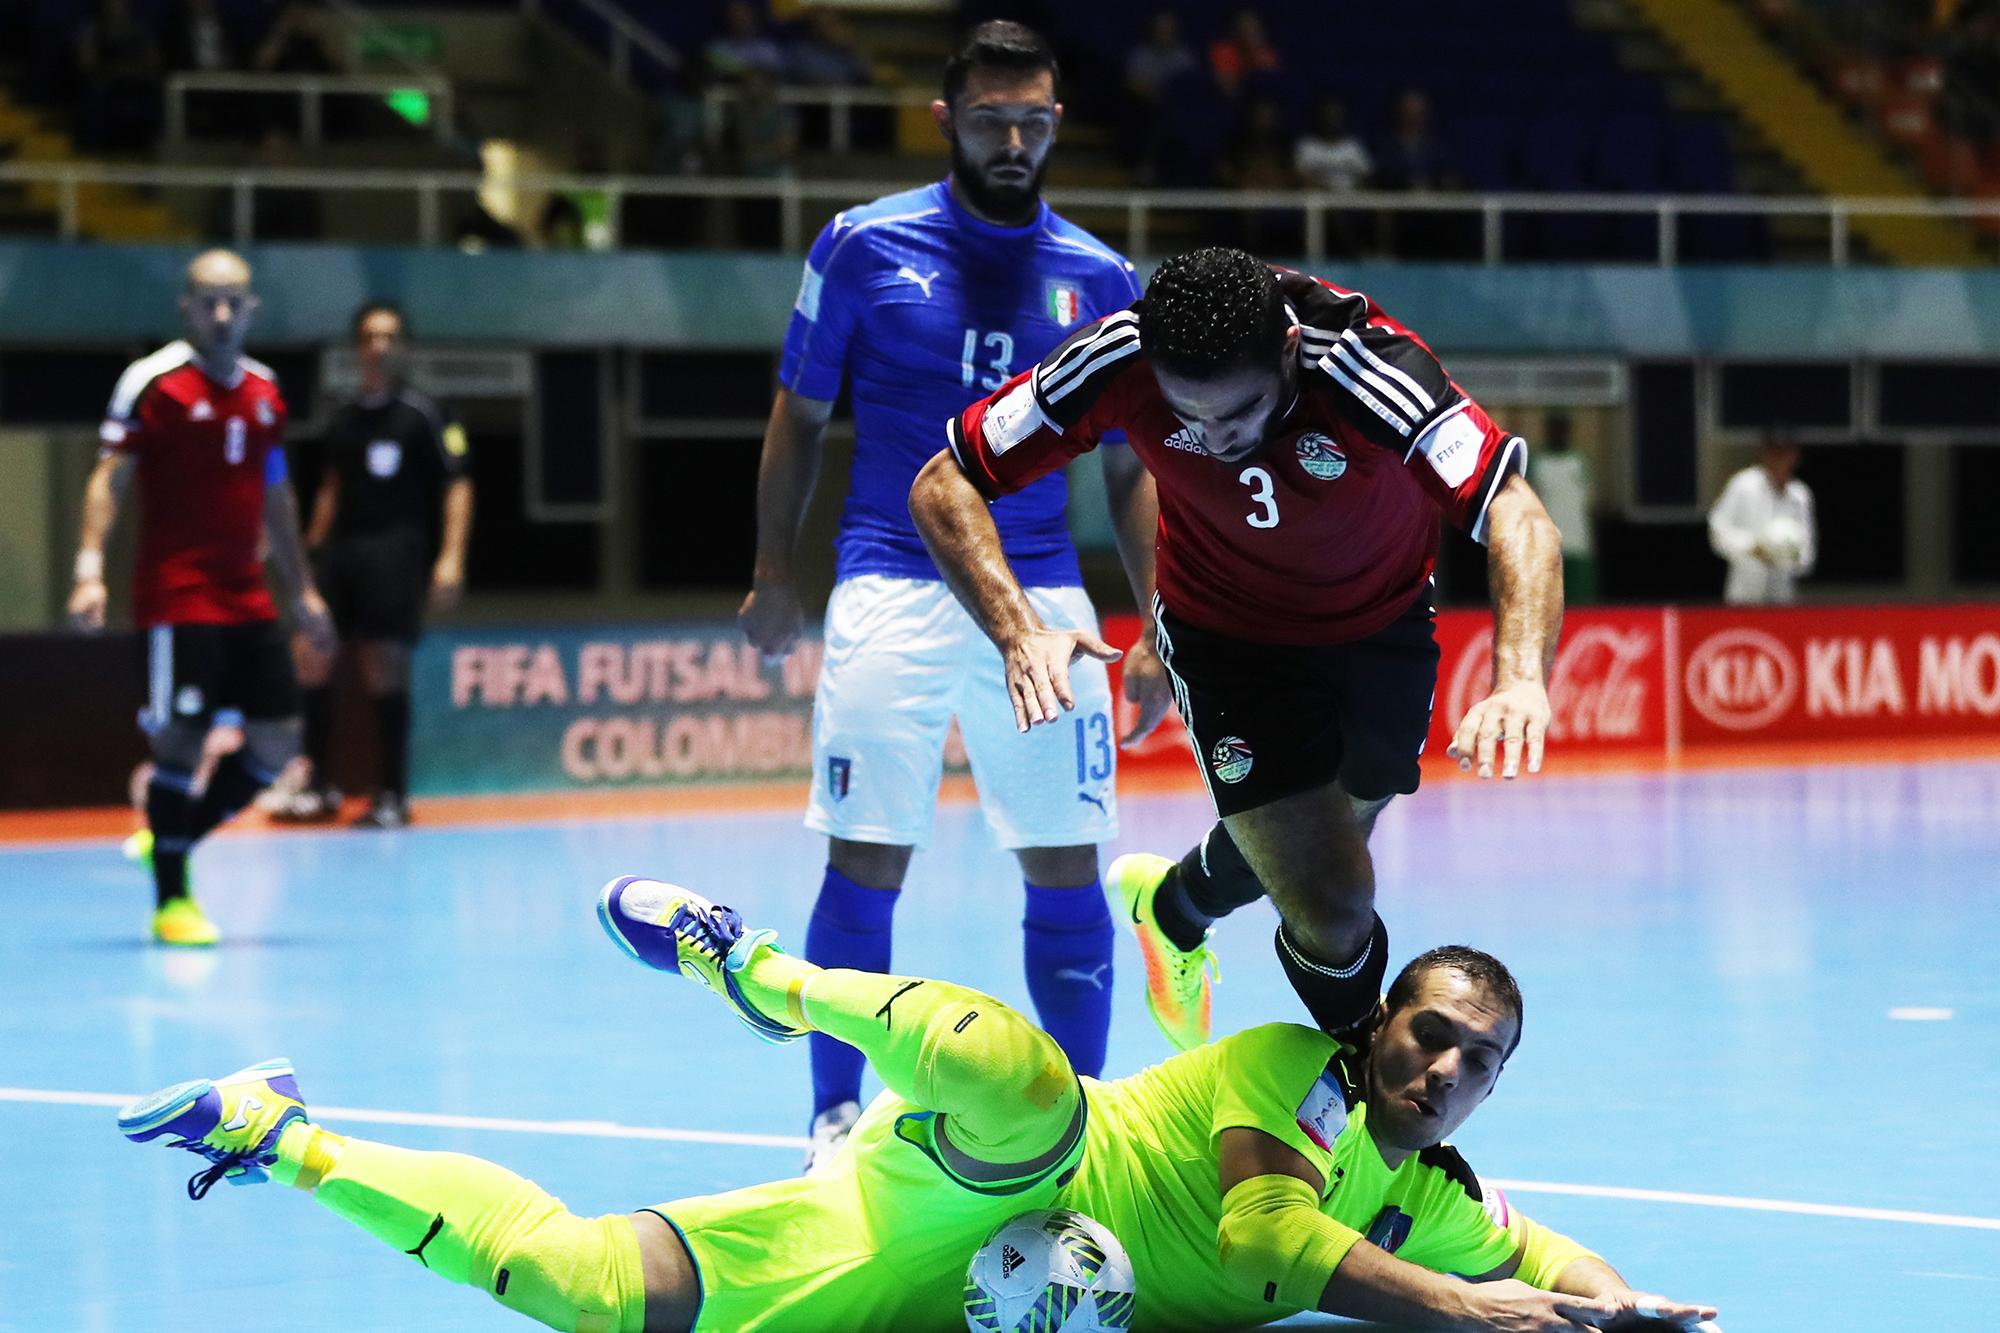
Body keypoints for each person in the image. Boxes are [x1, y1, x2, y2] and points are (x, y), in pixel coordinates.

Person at [119, 876, 1719, 1333]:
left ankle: (278, 1133)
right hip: (999, 1170)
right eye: (1430, 1034)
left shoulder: (1424, 1187)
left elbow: (1544, 1248)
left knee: (586, 1289)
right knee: (1028, 1074)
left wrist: (1631, 1308)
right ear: (1380, 1022)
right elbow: (1272, 1237)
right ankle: (761, 977)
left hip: (939, 1283)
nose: (1442, 1070)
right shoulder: (1289, 1073)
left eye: (1477, 1063)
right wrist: (1465, 1312)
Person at [910, 247, 1563, 1055]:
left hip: (1382, 624)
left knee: (1335, 825)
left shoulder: (1369, 367)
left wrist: (1522, 676)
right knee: (1333, 900)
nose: (1220, 441)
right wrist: (1016, 630)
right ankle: (1362, 1098)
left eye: (1241, 412)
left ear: (1288, 349)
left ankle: (1174, 908)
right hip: (1228, 640)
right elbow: (945, 481)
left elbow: (1516, 511)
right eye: (1192, 416)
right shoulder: (1119, 353)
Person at [737, 21, 1167, 1173]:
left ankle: (1079, 1121)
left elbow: (1131, 469)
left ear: (1056, 122)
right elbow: (798, 415)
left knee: (1066, 859)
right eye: (990, 121)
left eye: (1033, 120)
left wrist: (1157, 627)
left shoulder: (1098, 276)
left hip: (1047, 594)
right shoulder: (859, 245)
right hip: (887, 577)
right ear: (945, 120)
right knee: (866, 854)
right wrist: (777, 570)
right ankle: (834, 1115)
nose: (1014, 140)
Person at [68, 248, 332, 946]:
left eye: (233, 302)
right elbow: (109, 479)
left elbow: (277, 494)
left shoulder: (267, 391)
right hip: (177, 598)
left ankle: (172, 836)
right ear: (185, 307)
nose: (221, 314)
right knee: (179, 745)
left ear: (251, 310)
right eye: (207, 301)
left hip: (248, 597)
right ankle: (172, 901)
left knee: (278, 740)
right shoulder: (152, 385)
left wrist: (303, 591)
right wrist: (89, 566)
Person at [279, 302, 473, 828]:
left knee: (385, 665)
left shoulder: (428, 414)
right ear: (358, 347)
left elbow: (459, 485)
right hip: (343, 553)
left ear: (404, 347)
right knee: (312, 651)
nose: (379, 346)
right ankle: (318, 786)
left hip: (398, 552)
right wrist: (307, 556)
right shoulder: (342, 418)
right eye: (369, 336)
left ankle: (391, 796)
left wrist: (451, 558)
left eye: (390, 337)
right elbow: (331, 490)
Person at [1707, 435, 1815, 605]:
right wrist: (1753, 547)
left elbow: (1807, 555)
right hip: (1743, 596)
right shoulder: (1743, 484)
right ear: (1764, 453)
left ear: (1795, 456)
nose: (1779, 459)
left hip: (1782, 599)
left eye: (1784, 453)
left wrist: (1784, 555)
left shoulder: (1800, 495)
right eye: (1774, 452)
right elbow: (1717, 529)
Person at [1527, 413, 1596, 604]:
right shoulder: (1537, 461)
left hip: (1578, 543)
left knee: (1580, 603)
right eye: (1555, 428)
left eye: (1562, 429)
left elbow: (1589, 499)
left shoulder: (1578, 460)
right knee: (1546, 602)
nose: (1559, 434)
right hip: (1546, 544)